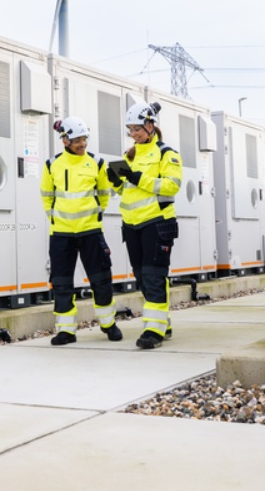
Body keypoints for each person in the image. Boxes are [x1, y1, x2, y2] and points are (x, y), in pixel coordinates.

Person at [106, 101, 182, 349]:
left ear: (150, 125)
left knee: (153, 276)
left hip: (156, 223)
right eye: (130, 129)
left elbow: (171, 185)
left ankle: (153, 331)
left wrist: (137, 177)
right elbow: (125, 190)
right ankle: (163, 322)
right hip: (132, 225)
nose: (134, 133)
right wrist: (115, 180)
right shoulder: (130, 155)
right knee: (142, 277)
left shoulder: (166, 153)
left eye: (137, 128)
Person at [40, 116, 123, 345]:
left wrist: (96, 214)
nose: (82, 144)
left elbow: (104, 193)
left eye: (84, 139)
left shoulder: (97, 163)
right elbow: (46, 197)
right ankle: (66, 331)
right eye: (77, 140)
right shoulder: (51, 165)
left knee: (101, 279)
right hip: (61, 234)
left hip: (90, 231)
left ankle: (108, 324)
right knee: (61, 282)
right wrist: (55, 217)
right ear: (65, 140)